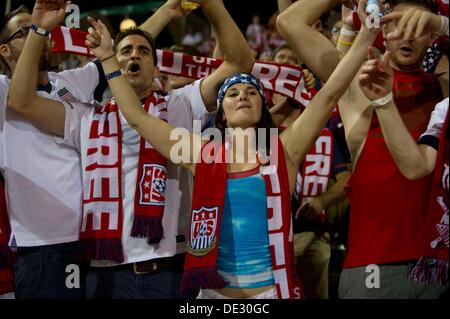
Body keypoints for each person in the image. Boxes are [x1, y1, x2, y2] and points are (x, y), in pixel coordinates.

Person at [54, 2, 380, 299]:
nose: (242, 96)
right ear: (220, 111)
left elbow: (329, 95)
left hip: (271, 294)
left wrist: (366, 35)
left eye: (251, 92)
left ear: (262, 106)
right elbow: (138, 118)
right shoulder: (200, 153)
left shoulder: (284, 148)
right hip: (211, 297)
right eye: (233, 92)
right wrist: (109, 59)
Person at [7, 0, 254, 299]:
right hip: (107, 274)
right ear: (111, 64)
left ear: (156, 66)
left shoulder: (183, 103)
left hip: (169, 269)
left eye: (144, 51)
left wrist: (211, 4)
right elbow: (21, 102)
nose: (134, 55)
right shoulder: (86, 117)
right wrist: (37, 29)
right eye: (125, 51)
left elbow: (239, 61)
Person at [278, 0, 447, 298]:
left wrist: (443, 23)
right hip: (375, 270)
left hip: (440, 268)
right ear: (382, 25)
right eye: (397, 23)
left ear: (433, 35)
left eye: (418, 26)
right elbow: (290, 22)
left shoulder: (444, 89)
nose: (407, 35)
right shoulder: (357, 83)